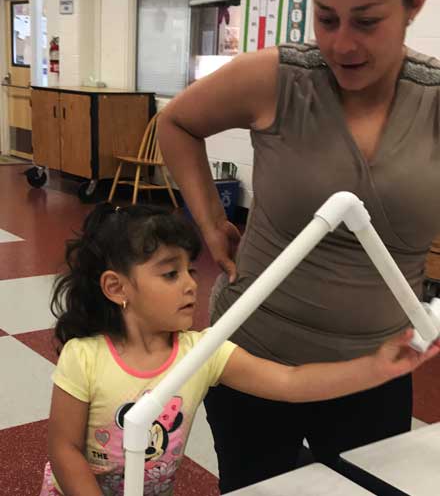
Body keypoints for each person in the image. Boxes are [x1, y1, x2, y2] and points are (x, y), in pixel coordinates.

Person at [157, 0, 440, 492]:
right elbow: (177, 122)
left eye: (366, 21)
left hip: (377, 367)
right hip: (255, 358)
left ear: (414, 1)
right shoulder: (278, 79)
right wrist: (211, 222)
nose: (342, 43)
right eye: (326, 17)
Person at [39, 203, 437, 496]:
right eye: (170, 273)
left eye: (191, 270)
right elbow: (64, 448)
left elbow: (289, 381)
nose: (191, 284)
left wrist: (376, 367)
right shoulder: (84, 356)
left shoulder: (203, 351)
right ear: (116, 287)